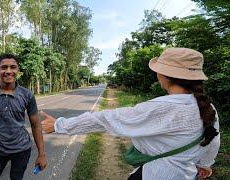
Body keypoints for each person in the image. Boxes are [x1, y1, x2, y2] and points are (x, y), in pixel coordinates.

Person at [40, 48, 220, 180]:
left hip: (155, 175)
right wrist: (204, 164)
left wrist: (59, 125)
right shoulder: (208, 107)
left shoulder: (161, 108)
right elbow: (213, 139)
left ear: (164, 75)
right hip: (189, 174)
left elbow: (105, 119)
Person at [0, 53, 47, 180]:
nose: (8, 71)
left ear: (18, 70)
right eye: (4, 67)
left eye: (13, 67)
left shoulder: (27, 95)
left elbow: (36, 124)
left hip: (22, 150)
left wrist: (41, 154)